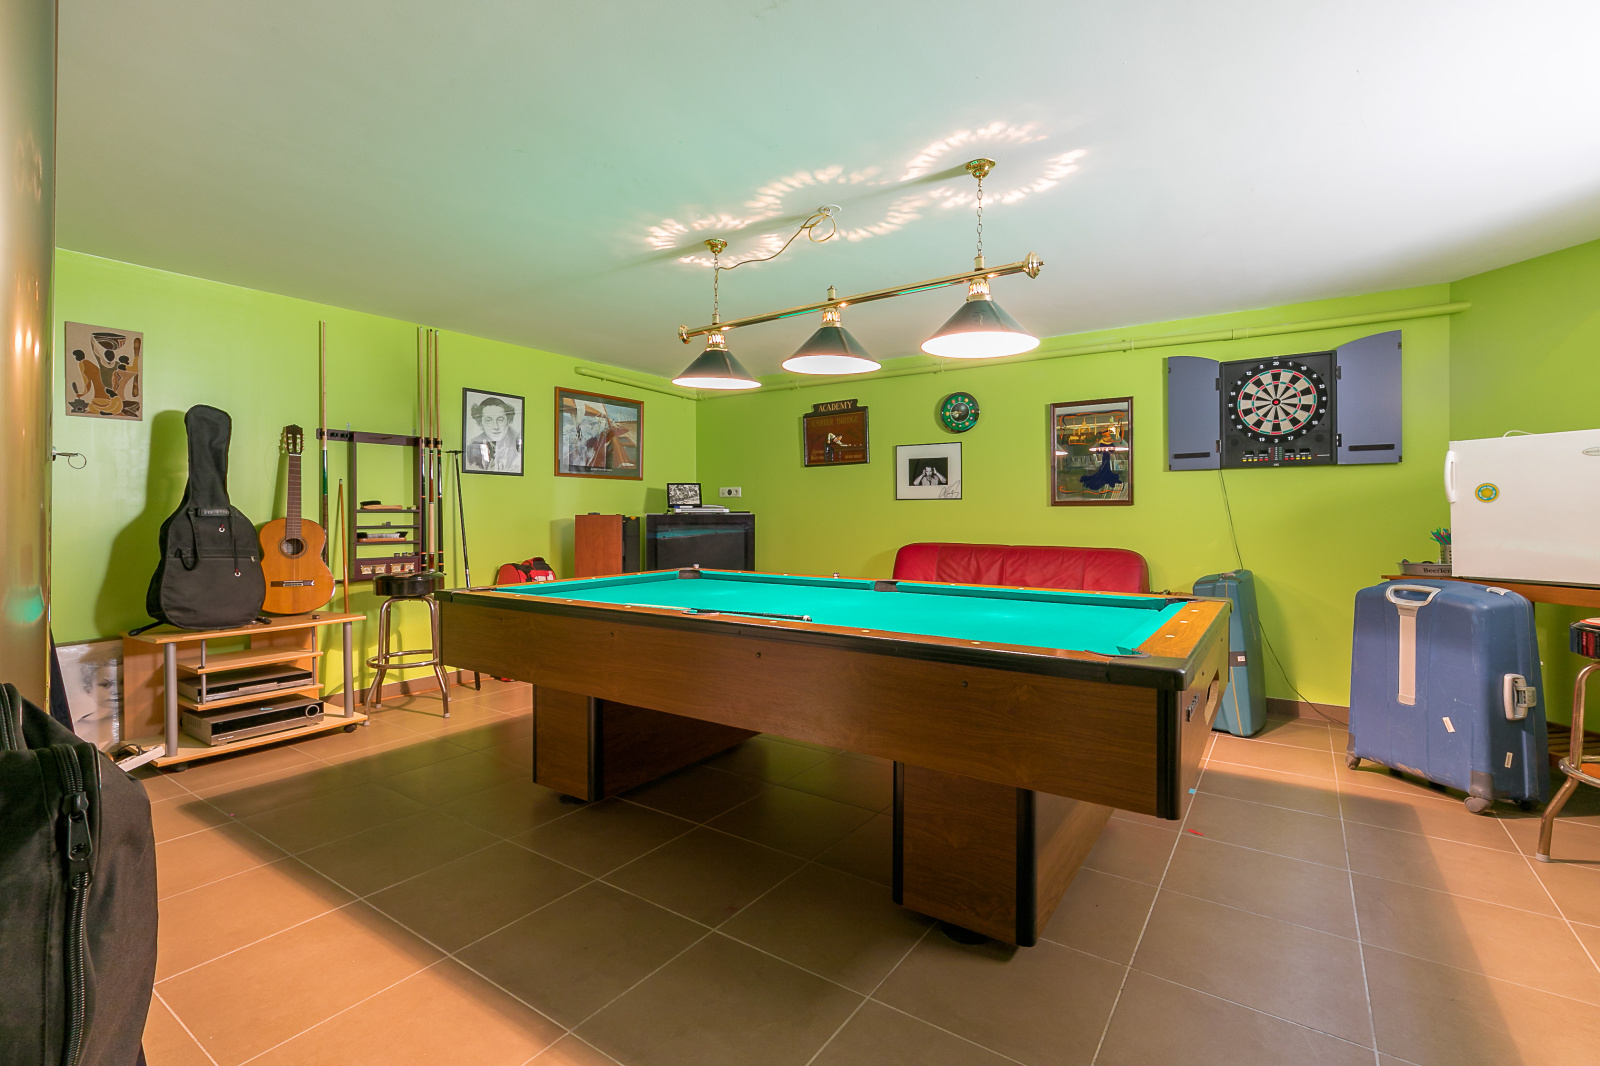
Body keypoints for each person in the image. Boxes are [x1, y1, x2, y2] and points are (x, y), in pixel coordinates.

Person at [465, 395, 521, 473]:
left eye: (500, 420)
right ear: (481, 424)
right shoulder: (471, 449)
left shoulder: (519, 448)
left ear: (508, 421)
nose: (496, 427)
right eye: (488, 420)